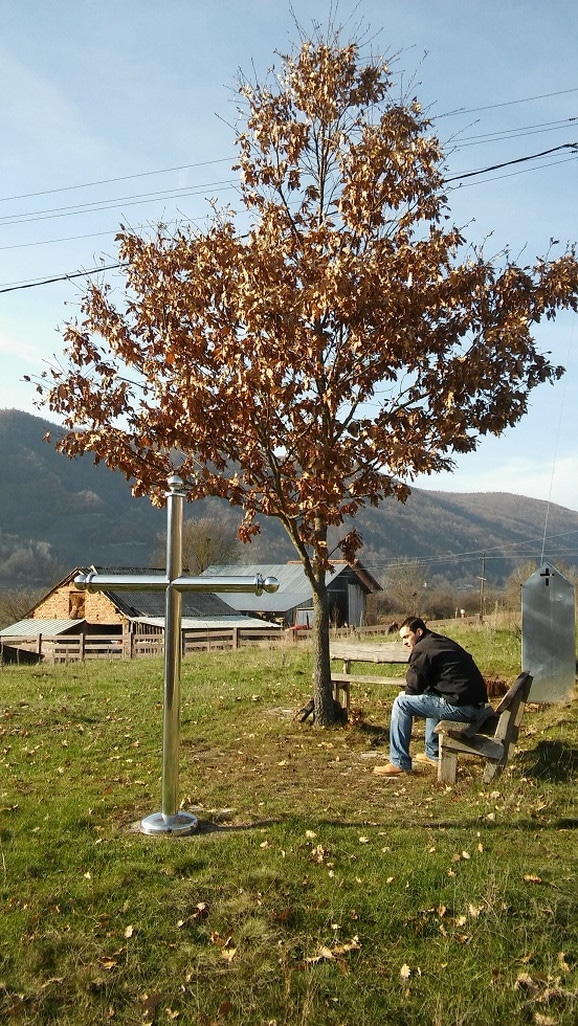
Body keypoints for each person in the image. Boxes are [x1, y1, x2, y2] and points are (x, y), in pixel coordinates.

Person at [374, 616, 487, 777]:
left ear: (419, 632)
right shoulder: (436, 642)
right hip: (473, 704)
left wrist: (406, 693)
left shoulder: (422, 649)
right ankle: (432, 753)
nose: (405, 642)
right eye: (402, 638)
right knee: (430, 695)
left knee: (401, 703)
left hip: (464, 708)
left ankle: (398, 762)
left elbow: (413, 686)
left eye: (407, 637)